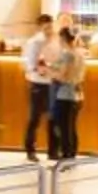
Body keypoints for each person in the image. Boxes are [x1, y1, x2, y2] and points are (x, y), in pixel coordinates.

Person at [18, 14, 60, 159]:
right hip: (38, 84)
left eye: (50, 26)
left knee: (53, 119)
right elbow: (28, 64)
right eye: (46, 27)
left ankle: (53, 151)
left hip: (52, 83)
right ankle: (30, 150)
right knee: (34, 118)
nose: (49, 29)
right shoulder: (34, 42)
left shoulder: (56, 41)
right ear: (39, 27)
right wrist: (39, 69)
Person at [50, 25, 88, 161]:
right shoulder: (80, 54)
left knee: (63, 127)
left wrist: (52, 75)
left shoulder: (67, 54)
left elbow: (63, 75)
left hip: (64, 94)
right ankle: (71, 154)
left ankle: (65, 156)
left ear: (63, 38)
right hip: (77, 94)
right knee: (71, 127)